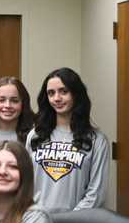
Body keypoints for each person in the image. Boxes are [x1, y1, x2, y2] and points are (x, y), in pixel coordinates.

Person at [28, 68, 109, 211]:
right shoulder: (35, 135)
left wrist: (70, 221)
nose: (57, 98)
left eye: (63, 91)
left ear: (76, 94)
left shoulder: (97, 140)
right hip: (37, 221)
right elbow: (25, 184)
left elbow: (96, 193)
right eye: (51, 93)